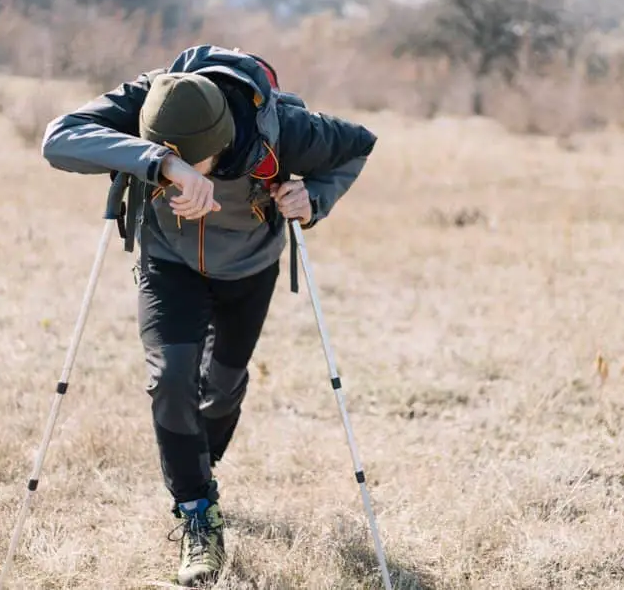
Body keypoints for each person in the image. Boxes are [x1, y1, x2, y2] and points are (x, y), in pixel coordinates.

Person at [40, 44, 377, 586]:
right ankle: (197, 511)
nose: (178, 173)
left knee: (221, 389)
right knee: (172, 380)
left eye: (188, 159)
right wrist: (163, 163)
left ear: (221, 147)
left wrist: (313, 197)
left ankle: (200, 466)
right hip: (169, 262)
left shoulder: (288, 130)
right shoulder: (155, 100)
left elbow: (359, 146)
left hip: (249, 268)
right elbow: (59, 139)